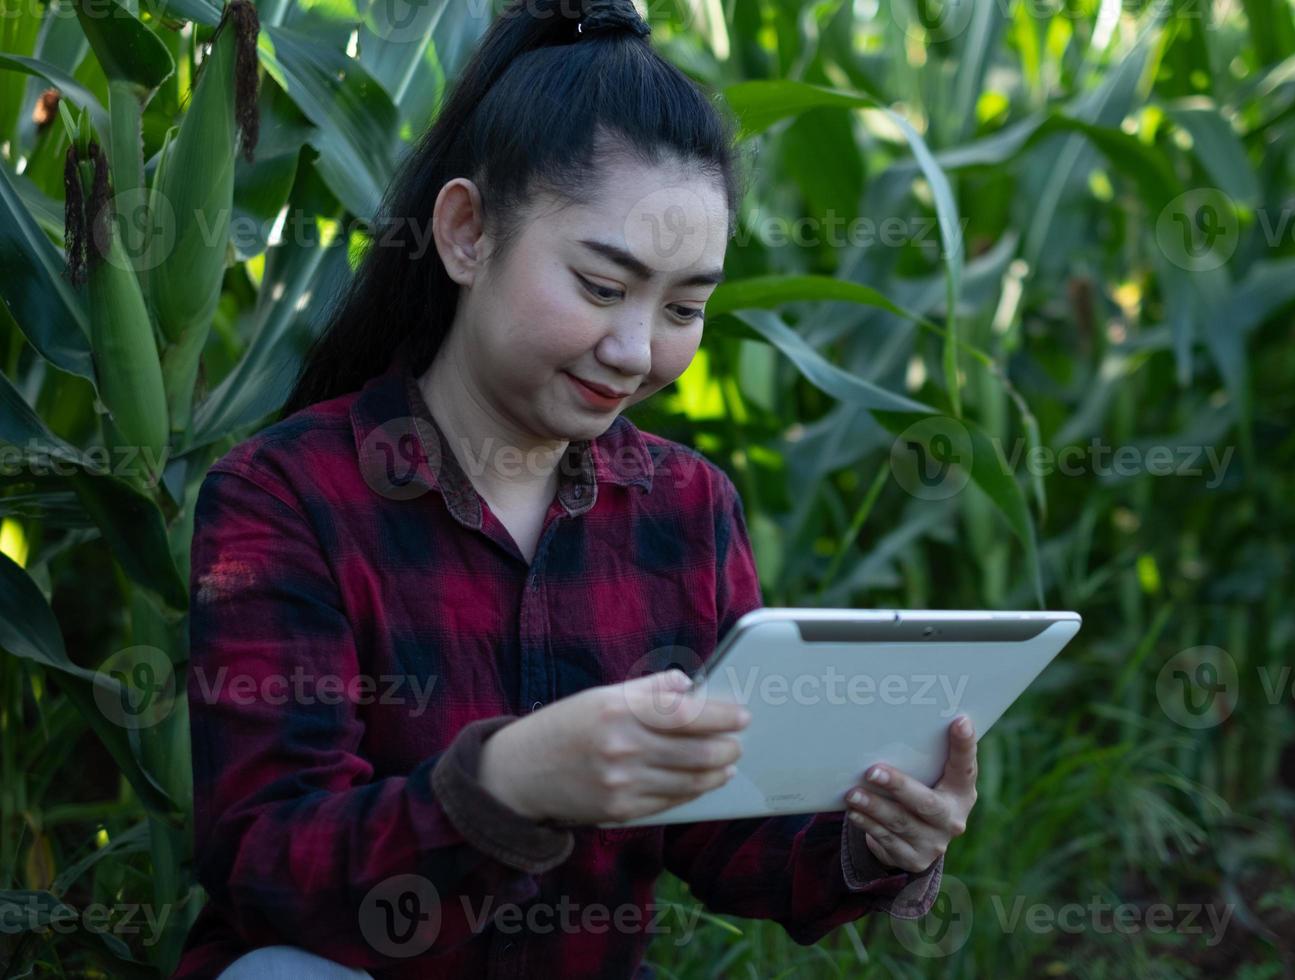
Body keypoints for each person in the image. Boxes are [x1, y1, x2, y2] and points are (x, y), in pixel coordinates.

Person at [175, 0, 979, 976]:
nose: (637, 349)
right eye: (602, 286)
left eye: (685, 305)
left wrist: (873, 836)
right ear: (468, 234)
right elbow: (265, 862)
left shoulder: (687, 510)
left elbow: (726, 830)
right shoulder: (285, 497)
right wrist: (505, 782)